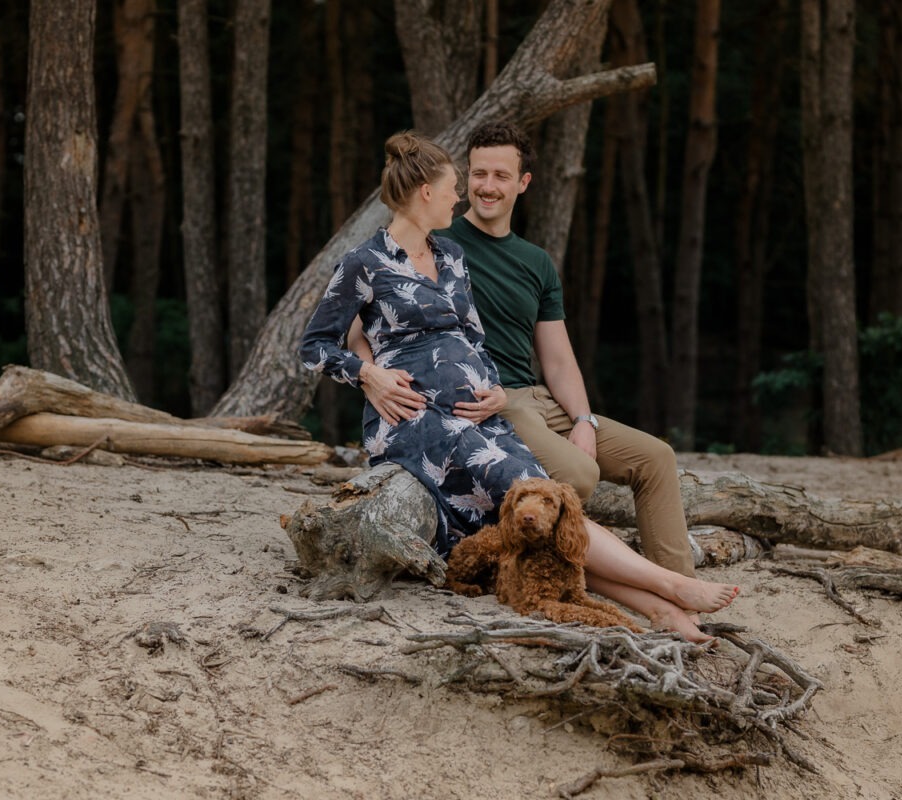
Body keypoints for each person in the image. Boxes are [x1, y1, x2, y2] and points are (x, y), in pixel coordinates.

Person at [301, 131, 736, 642]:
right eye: (453, 188)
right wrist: (369, 375)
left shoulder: (451, 257)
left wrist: (500, 393)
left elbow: (471, 338)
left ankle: (659, 610)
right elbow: (316, 346)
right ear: (424, 191)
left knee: (542, 512)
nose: (459, 197)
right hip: (417, 418)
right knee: (520, 488)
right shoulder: (364, 262)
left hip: (480, 411)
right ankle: (671, 585)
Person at [355, 122, 698, 585]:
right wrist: (371, 377)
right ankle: (578, 576)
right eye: (478, 174)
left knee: (656, 457)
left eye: (500, 176)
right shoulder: (439, 243)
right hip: (489, 402)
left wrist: (583, 420)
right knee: (577, 476)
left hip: (540, 398)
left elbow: (557, 359)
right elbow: (360, 322)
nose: (487, 187)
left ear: (524, 183)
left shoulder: (536, 261)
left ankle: (680, 585)